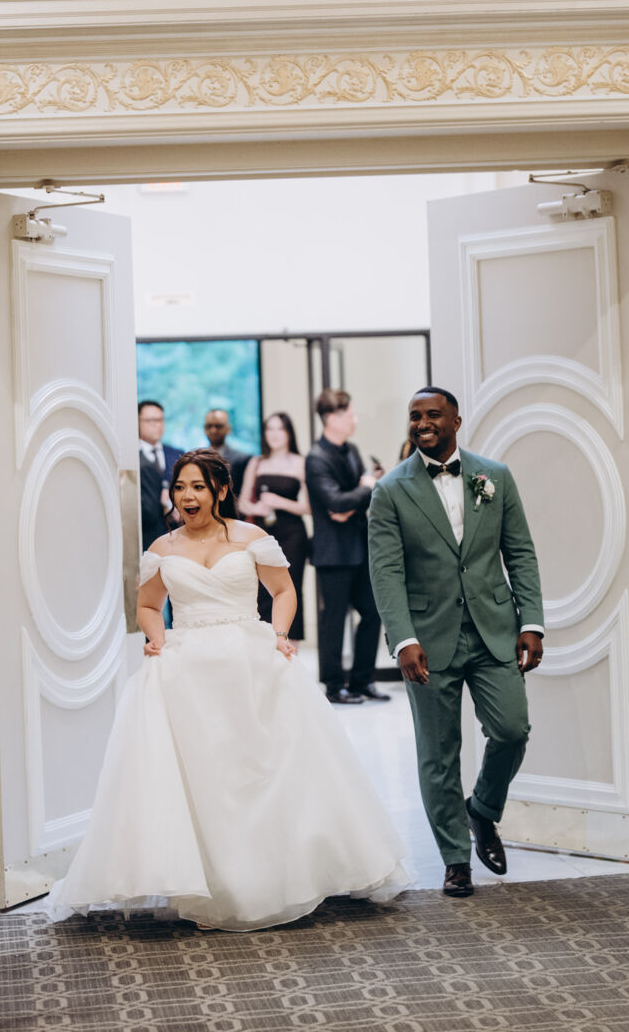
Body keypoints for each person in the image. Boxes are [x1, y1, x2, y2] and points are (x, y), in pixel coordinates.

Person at [46, 450, 408, 932]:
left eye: (197, 486)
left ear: (219, 491)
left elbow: (283, 591)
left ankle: (275, 874)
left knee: (260, 769)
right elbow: (148, 606)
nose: (186, 496)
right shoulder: (162, 548)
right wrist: (156, 638)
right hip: (188, 667)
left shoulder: (251, 537)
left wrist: (280, 634)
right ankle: (214, 882)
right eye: (179, 487)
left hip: (249, 657)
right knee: (206, 776)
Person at [368, 387, 544, 900]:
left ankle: (482, 810)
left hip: (493, 629)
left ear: (456, 421)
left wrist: (532, 622)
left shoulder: (495, 476)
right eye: (414, 416)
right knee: (438, 753)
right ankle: (455, 860)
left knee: (512, 729)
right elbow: (386, 572)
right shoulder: (390, 491)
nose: (422, 423)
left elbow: (520, 553)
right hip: (427, 637)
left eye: (433, 415)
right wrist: (403, 638)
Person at [305, 389, 386, 705]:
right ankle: (333, 685)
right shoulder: (316, 458)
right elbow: (336, 503)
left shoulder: (351, 449)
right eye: (350, 414)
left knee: (373, 612)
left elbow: (347, 504)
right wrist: (364, 489)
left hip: (360, 546)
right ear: (331, 418)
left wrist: (356, 496)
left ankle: (363, 680)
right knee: (334, 621)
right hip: (333, 553)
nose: (355, 419)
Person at [238, 412, 310, 644]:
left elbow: (309, 507)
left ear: (289, 433)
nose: (275, 434)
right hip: (262, 534)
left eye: (280, 429)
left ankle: (290, 644)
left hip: (293, 534)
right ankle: (264, 642)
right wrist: (256, 508)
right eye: (270, 429)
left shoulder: (300, 463)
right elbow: (242, 502)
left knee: (291, 587)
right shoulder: (257, 463)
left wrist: (281, 502)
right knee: (260, 589)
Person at [138, 399, 181, 551]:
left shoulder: (177, 455)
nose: (158, 425)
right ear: (137, 422)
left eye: (160, 420)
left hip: (176, 534)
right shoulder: (131, 458)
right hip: (144, 535)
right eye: (151, 420)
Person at [202, 408, 251, 495]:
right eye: (209, 426)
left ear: (228, 428)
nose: (213, 430)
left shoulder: (241, 459)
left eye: (218, 426)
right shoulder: (198, 458)